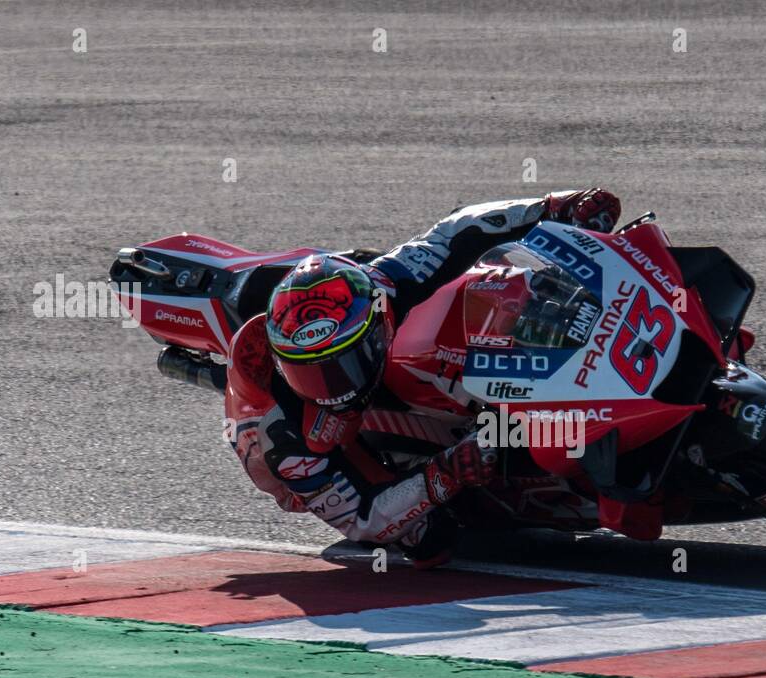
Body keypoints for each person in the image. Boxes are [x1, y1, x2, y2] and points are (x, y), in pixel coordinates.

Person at [224, 188, 621, 566]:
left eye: (339, 368)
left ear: (374, 332)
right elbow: (364, 520)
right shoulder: (282, 437)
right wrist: (443, 474)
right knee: (429, 542)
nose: (330, 389)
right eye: (307, 373)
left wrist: (554, 206)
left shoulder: (384, 286)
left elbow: (455, 232)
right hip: (325, 455)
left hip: (388, 356)